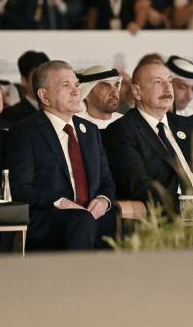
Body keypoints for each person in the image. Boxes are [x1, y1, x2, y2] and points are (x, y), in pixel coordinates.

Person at [7, 61, 117, 250]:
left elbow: (106, 180)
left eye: (76, 85)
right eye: (66, 85)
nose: (76, 92)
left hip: (89, 215)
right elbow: (20, 188)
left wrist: (103, 200)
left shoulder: (89, 130)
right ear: (44, 95)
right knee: (81, 221)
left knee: (134, 225)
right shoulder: (25, 132)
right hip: (48, 216)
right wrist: (60, 202)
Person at [102, 60, 193, 215]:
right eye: (157, 82)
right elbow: (139, 186)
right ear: (137, 91)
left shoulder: (190, 126)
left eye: (169, 81)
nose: (168, 88)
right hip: (167, 217)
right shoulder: (121, 131)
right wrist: (187, 207)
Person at [0, 50, 49, 123]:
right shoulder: (10, 115)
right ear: (24, 81)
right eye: (37, 77)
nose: (44, 81)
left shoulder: (59, 111)